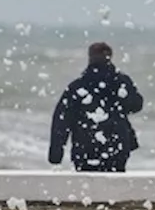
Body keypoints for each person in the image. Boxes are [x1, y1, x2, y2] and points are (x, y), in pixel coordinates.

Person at [48, 42, 144, 172]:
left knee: (86, 188)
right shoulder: (121, 82)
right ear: (110, 57)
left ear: (90, 57)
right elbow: (136, 105)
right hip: (116, 145)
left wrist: (56, 154)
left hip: (84, 146)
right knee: (115, 186)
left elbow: (62, 120)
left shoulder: (77, 87)